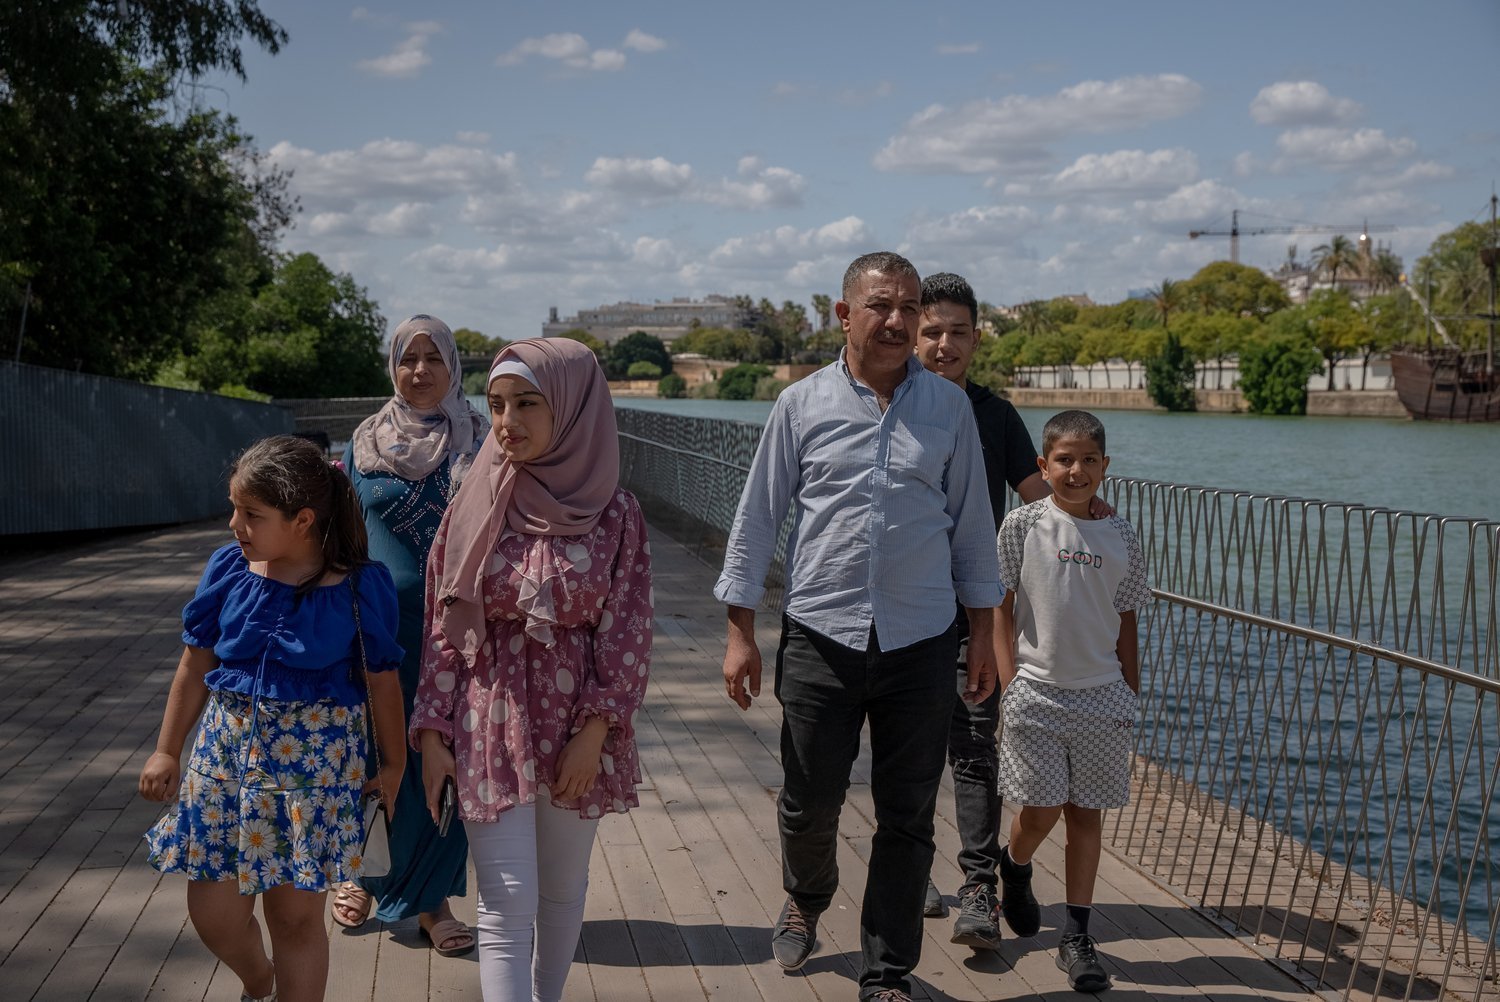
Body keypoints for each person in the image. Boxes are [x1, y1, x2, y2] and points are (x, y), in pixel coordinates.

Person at [715, 252, 1002, 1002]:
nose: (900, 321)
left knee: (907, 814)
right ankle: (808, 897)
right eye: (882, 306)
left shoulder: (948, 411)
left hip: (922, 639)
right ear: (845, 316)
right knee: (809, 800)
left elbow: (973, 529)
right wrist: (741, 632)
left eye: (910, 307)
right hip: (821, 633)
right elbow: (757, 519)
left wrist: (985, 635)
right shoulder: (801, 405)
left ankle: (887, 971)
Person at [412, 337, 651, 1002]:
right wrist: (433, 733)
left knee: (560, 892)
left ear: (572, 409)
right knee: (505, 900)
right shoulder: (471, 505)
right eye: (495, 405)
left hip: (579, 725)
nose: (507, 419)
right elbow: (441, 625)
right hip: (491, 717)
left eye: (526, 403)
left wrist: (599, 730)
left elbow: (628, 630)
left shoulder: (617, 515)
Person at [139, 435, 407, 1002]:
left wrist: (394, 763)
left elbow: (383, 683)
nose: (235, 524)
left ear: (302, 520)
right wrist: (167, 748)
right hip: (224, 765)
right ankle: (258, 978)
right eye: (235, 509)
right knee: (212, 911)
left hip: (313, 775)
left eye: (251, 514)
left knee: (295, 920)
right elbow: (194, 664)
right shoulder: (229, 570)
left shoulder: (359, 588)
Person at [912, 273, 1061, 951]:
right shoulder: (893, 407)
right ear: (914, 332)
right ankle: (910, 869)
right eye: (933, 330)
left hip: (973, 614)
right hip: (901, 610)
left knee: (975, 749)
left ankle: (979, 887)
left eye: (959, 332)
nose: (946, 344)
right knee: (906, 751)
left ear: (976, 338)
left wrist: (1090, 522)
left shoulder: (994, 416)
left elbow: (1038, 501)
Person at [333, 314, 488, 956]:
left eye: (433, 357)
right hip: (376, 630)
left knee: (445, 755)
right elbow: (337, 536)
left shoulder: (482, 441)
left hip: (459, 633)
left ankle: (431, 901)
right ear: (391, 367)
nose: (420, 370)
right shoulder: (362, 444)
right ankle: (364, 872)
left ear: (454, 365)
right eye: (408, 358)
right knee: (373, 750)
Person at [993, 410, 1151, 992]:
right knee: (1039, 812)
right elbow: (999, 610)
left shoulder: (1121, 534)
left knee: (1085, 816)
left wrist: (1128, 689)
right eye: (1064, 459)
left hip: (1102, 698)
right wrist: (1010, 686)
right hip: (1034, 694)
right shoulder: (1022, 526)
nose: (1076, 470)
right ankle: (1014, 865)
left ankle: (1077, 935)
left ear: (1105, 467)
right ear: (1044, 465)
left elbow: (1126, 618)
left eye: (1088, 460)